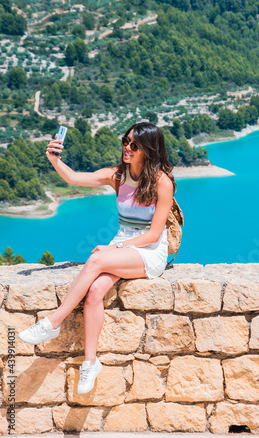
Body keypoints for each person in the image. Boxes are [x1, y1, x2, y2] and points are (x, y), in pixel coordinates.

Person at [19, 122, 175, 394]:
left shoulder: (162, 182)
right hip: (122, 245)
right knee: (94, 292)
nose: (127, 148)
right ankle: (90, 363)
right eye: (125, 142)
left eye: (134, 145)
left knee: (96, 259)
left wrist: (116, 247)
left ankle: (53, 322)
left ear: (148, 149)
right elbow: (74, 179)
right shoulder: (117, 175)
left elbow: (153, 235)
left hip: (149, 250)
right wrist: (54, 159)